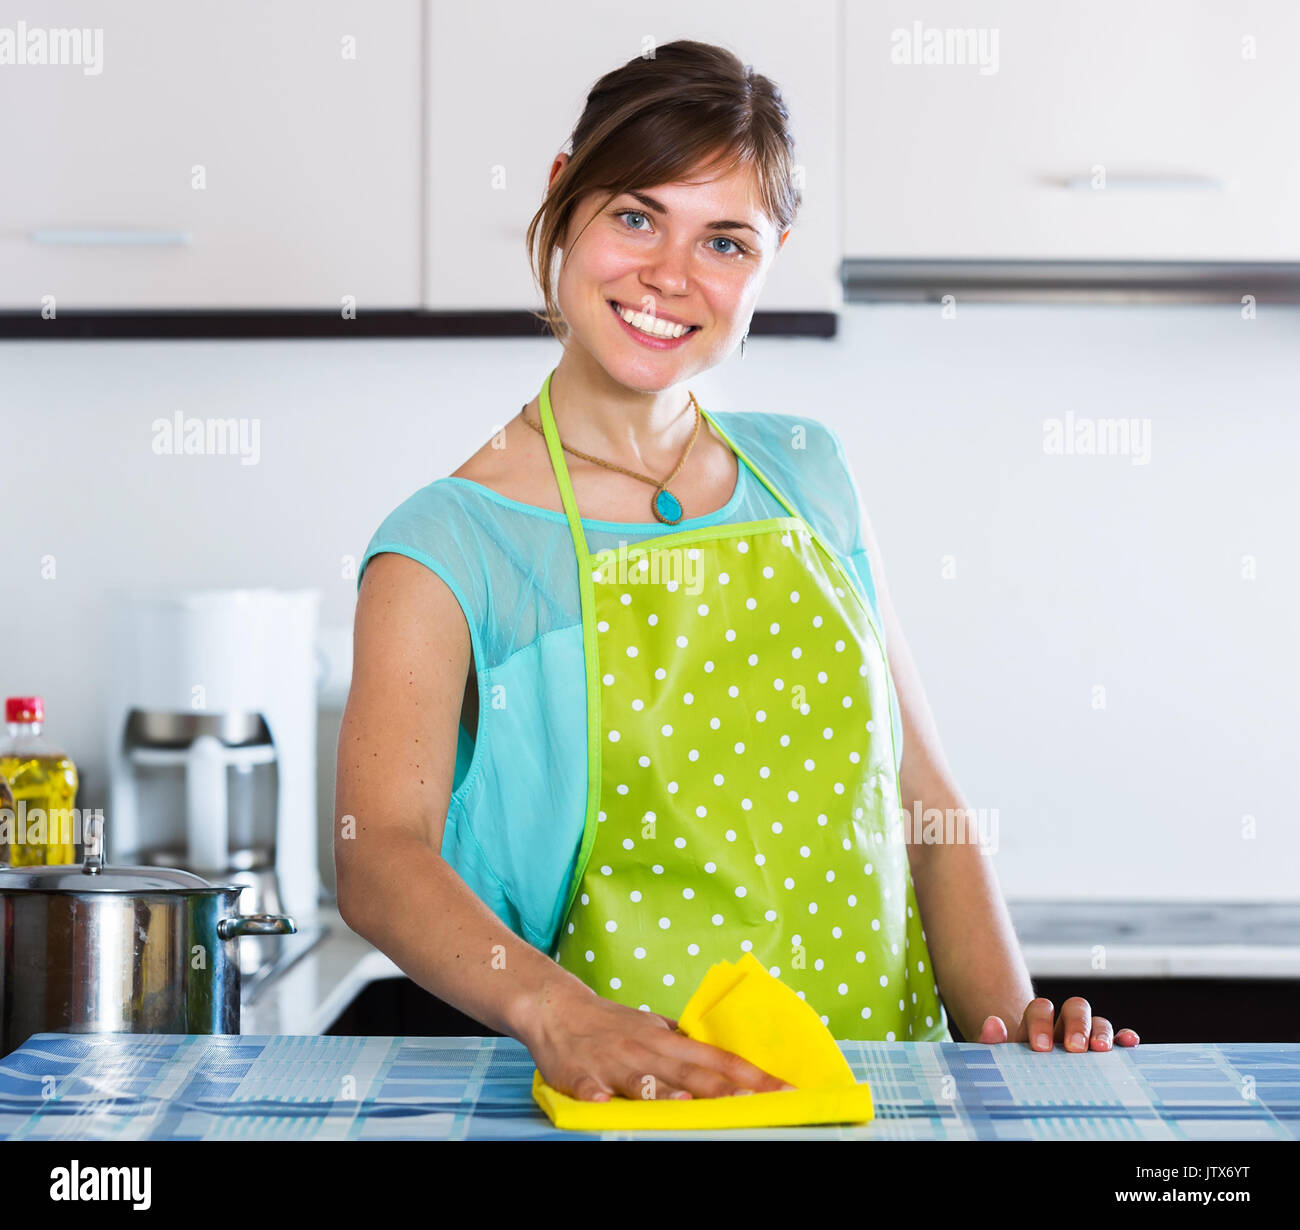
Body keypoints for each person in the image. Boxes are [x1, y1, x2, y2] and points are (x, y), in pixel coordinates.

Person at [335, 39, 1138, 1104]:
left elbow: (923, 801)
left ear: (770, 258)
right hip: (631, 1107)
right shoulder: (448, 546)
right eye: (634, 216)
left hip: (877, 1099)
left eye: (723, 240)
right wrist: (559, 1015)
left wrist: (1006, 1040)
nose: (670, 276)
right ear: (561, 196)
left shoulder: (809, 474)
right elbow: (380, 857)